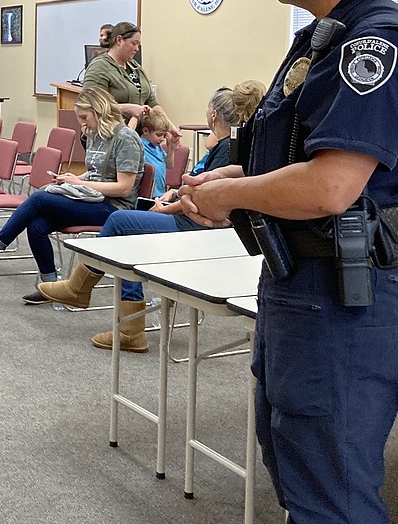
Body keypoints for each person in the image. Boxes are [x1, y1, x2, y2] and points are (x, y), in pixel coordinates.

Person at [177, 0, 398, 524]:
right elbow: (307, 157)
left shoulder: (378, 44)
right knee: (303, 471)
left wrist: (237, 200)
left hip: (341, 293)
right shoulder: (324, 40)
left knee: (333, 486)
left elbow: (333, 186)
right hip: (304, 281)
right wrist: (233, 179)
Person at [38, 82, 265, 351]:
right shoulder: (226, 146)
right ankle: (128, 327)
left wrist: (165, 207)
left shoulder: (227, 149)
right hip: (187, 215)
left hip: (197, 227)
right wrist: (171, 195)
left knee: (121, 222)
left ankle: (83, 291)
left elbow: (206, 201)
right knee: (128, 231)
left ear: (213, 115)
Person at [0, 86, 143, 304]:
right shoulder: (96, 135)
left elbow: (124, 187)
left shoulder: (126, 138)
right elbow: (94, 172)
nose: (82, 123)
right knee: (37, 224)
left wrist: (79, 182)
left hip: (115, 209)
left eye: (84, 117)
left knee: (40, 198)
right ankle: (50, 285)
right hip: (91, 198)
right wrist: (73, 178)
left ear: (99, 110)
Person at [83, 21, 179, 139]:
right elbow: (90, 105)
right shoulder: (99, 67)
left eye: (138, 44)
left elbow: (151, 101)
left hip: (134, 137)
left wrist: (169, 125)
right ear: (119, 40)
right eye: (134, 43)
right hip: (108, 137)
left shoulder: (135, 67)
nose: (137, 48)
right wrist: (128, 108)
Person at [135, 106, 172, 199]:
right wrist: (135, 115)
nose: (162, 138)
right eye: (159, 135)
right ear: (145, 131)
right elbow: (129, 131)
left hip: (160, 194)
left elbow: (170, 165)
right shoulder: (138, 144)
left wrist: (170, 147)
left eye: (164, 135)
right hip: (146, 195)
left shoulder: (157, 147)